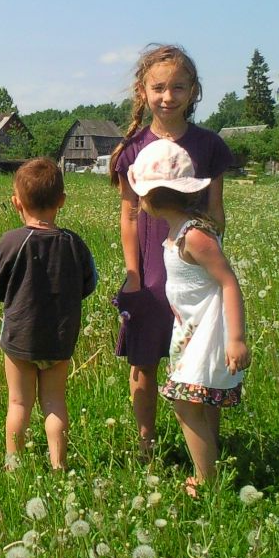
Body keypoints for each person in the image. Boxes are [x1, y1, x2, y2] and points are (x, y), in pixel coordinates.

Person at [108, 43, 235, 460]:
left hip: (193, 281)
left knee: (201, 369)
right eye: (158, 87)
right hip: (148, 276)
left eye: (178, 87)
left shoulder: (209, 147)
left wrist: (206, 258)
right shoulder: (131, 149)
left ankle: (207, 456)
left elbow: (216, 212)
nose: (168, 96)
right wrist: (133, 273)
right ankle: (146, 447)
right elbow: (129, 216)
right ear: (142, 91)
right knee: (143, 365)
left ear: (194, 91)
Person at [127, 138, 250, 494]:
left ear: (151, 198)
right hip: (189, 329)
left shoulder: (194, 236)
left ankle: (205, 479)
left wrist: (236, 338)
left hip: (209, 330)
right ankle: (210, 466)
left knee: (185, 404)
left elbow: (229, 282)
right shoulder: (178, 230)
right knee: (198, 401)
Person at [0, 158, 97, 470]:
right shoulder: (75, 243)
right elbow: (89, 284)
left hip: (20, 339)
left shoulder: (10, 241)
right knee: (54, 402)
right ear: (61, 201)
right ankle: (59, 465)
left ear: (16, 203)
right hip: (60, 339)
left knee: (19, 403)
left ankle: (13, 465)